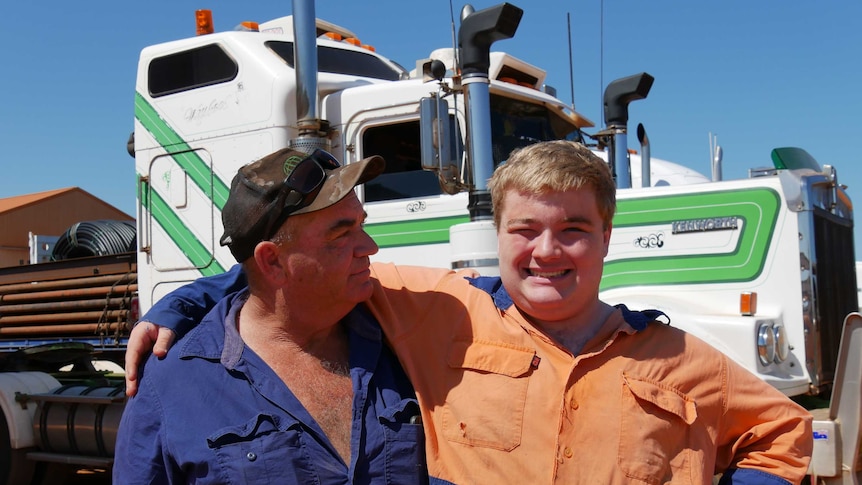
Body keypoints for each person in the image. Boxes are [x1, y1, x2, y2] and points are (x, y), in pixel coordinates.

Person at [125, 140, 813, 484]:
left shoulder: (679, 358)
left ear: (607, 236)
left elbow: (786, 433)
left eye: (573, 228)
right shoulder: (445, 310)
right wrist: (182, 302)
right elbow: (280, 281)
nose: (547, 251)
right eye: (525, 230)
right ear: (498, 237)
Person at [114, 148, 428, 484]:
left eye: (361, 225)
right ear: (273, 262)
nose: (370, 246)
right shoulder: (172, 384)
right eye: (341, 234)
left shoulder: (406, 335)